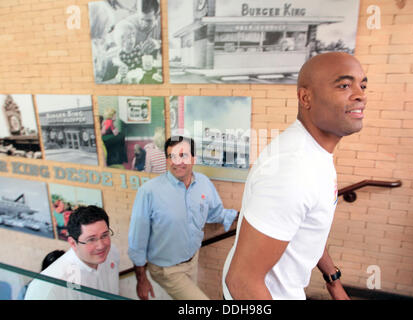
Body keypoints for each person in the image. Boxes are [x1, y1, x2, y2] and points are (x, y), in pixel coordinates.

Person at [223, 52, 368, 300]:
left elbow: (309, 227)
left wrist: (333, 280)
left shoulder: (314, 154)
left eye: (362, 85)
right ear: (305, 97)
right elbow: (241, 282)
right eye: (344, 85)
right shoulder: (293, 169)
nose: (360, 95)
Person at [128, 136, 238, 300]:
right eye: (172, 156)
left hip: (192, 261)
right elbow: (137, 239)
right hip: (166, 269)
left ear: (193, 158)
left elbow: (215, 213)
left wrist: (240, 217)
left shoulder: (204, 183)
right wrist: (141, 279)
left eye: (183, 155)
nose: (177, 162)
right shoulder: (148, 192)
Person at [25, 206, 120, 300]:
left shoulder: (112, 253)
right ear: (73, 243)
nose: (101, 246)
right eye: (91, 239)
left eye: (104, 235)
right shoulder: (47, 287)